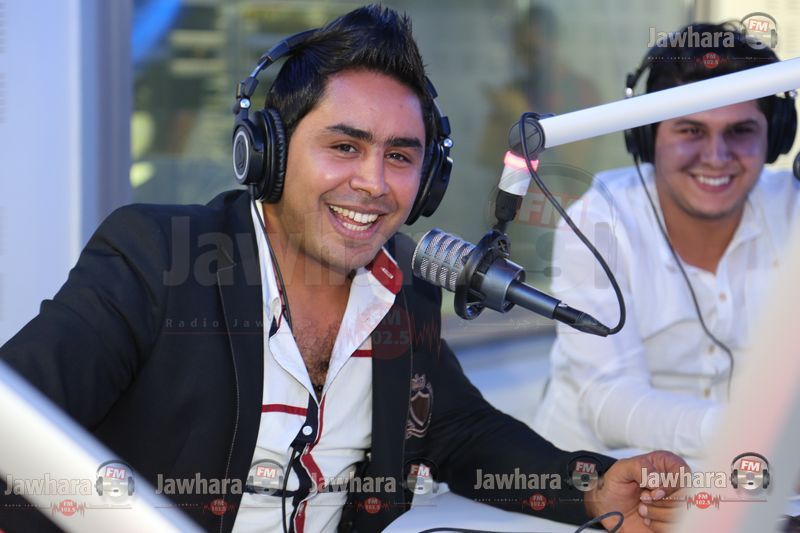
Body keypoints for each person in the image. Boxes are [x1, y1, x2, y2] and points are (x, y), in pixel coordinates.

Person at [0, 6, 686, 532]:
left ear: (429, 182)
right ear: (266, 155)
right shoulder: (154, 257)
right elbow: (15, 423)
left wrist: (592, 487)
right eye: (344, 146)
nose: (373, 183)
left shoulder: (405, 290)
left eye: (400, 156)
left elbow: (460, 431)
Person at [533, 22, 798, 459]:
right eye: (691, 130)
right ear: (646, 136)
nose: (716, 157)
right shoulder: (597, 222)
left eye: (740, 131)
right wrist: (754, 434)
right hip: (594, 483)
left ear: (777, 136)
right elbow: (611, 404)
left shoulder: (792, 208)